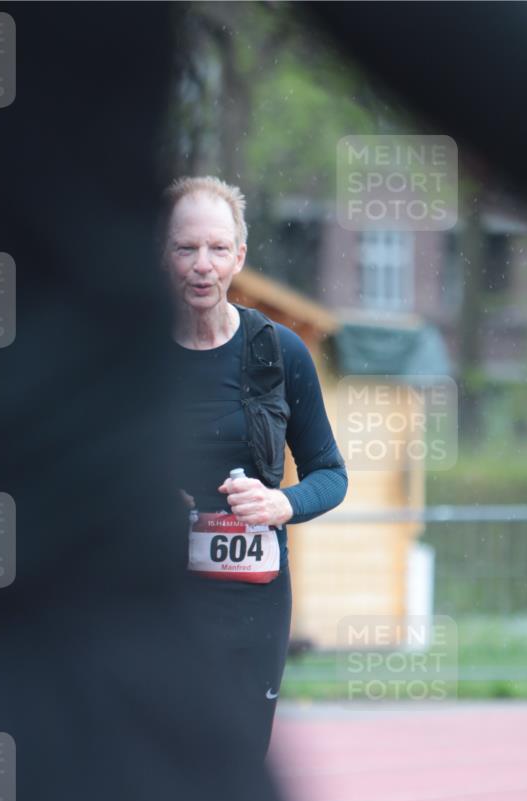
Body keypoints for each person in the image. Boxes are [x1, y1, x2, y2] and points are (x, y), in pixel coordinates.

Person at [163, 176, 348, 758]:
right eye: (185, 248)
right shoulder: (128, 355)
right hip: (150, 592)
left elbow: (330, 472)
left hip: (252, 598)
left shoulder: (278, 352)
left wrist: (282, 503)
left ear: (239, 256)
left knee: (237, 762)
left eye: (217, 249)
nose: (202, 265)